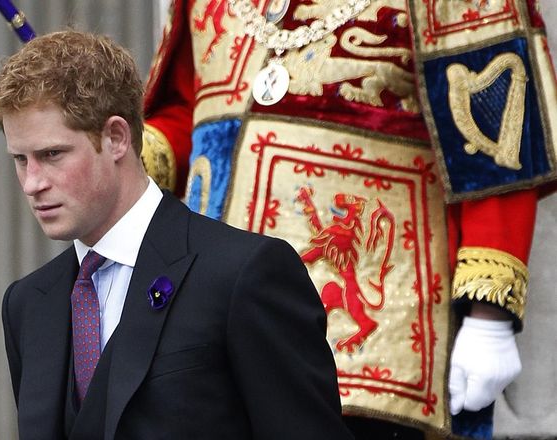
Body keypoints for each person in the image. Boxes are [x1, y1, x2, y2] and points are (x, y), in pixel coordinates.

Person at [141, 1, 557, 438]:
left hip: (376, 349)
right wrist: (108, 154)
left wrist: (489, 314)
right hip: (209, 323)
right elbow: (191, 113)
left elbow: (497, 138)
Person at [0, 30, 353, 440]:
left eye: (52, 155)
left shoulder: (243, 274)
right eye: (20, 159)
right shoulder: (27, 304)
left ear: (117, 138)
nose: (32, 183)